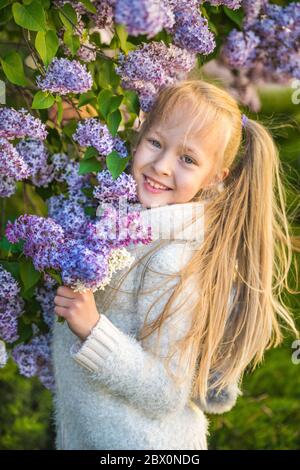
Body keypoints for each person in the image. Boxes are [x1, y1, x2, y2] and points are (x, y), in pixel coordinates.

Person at [52, 79, 299, 450]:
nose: (162, 166)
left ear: (215, 177)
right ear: (140, 137)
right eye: (155, 143)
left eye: (187, 159)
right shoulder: (128, 225)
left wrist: (93, 331)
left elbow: (167, 390)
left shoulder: (172, 259)